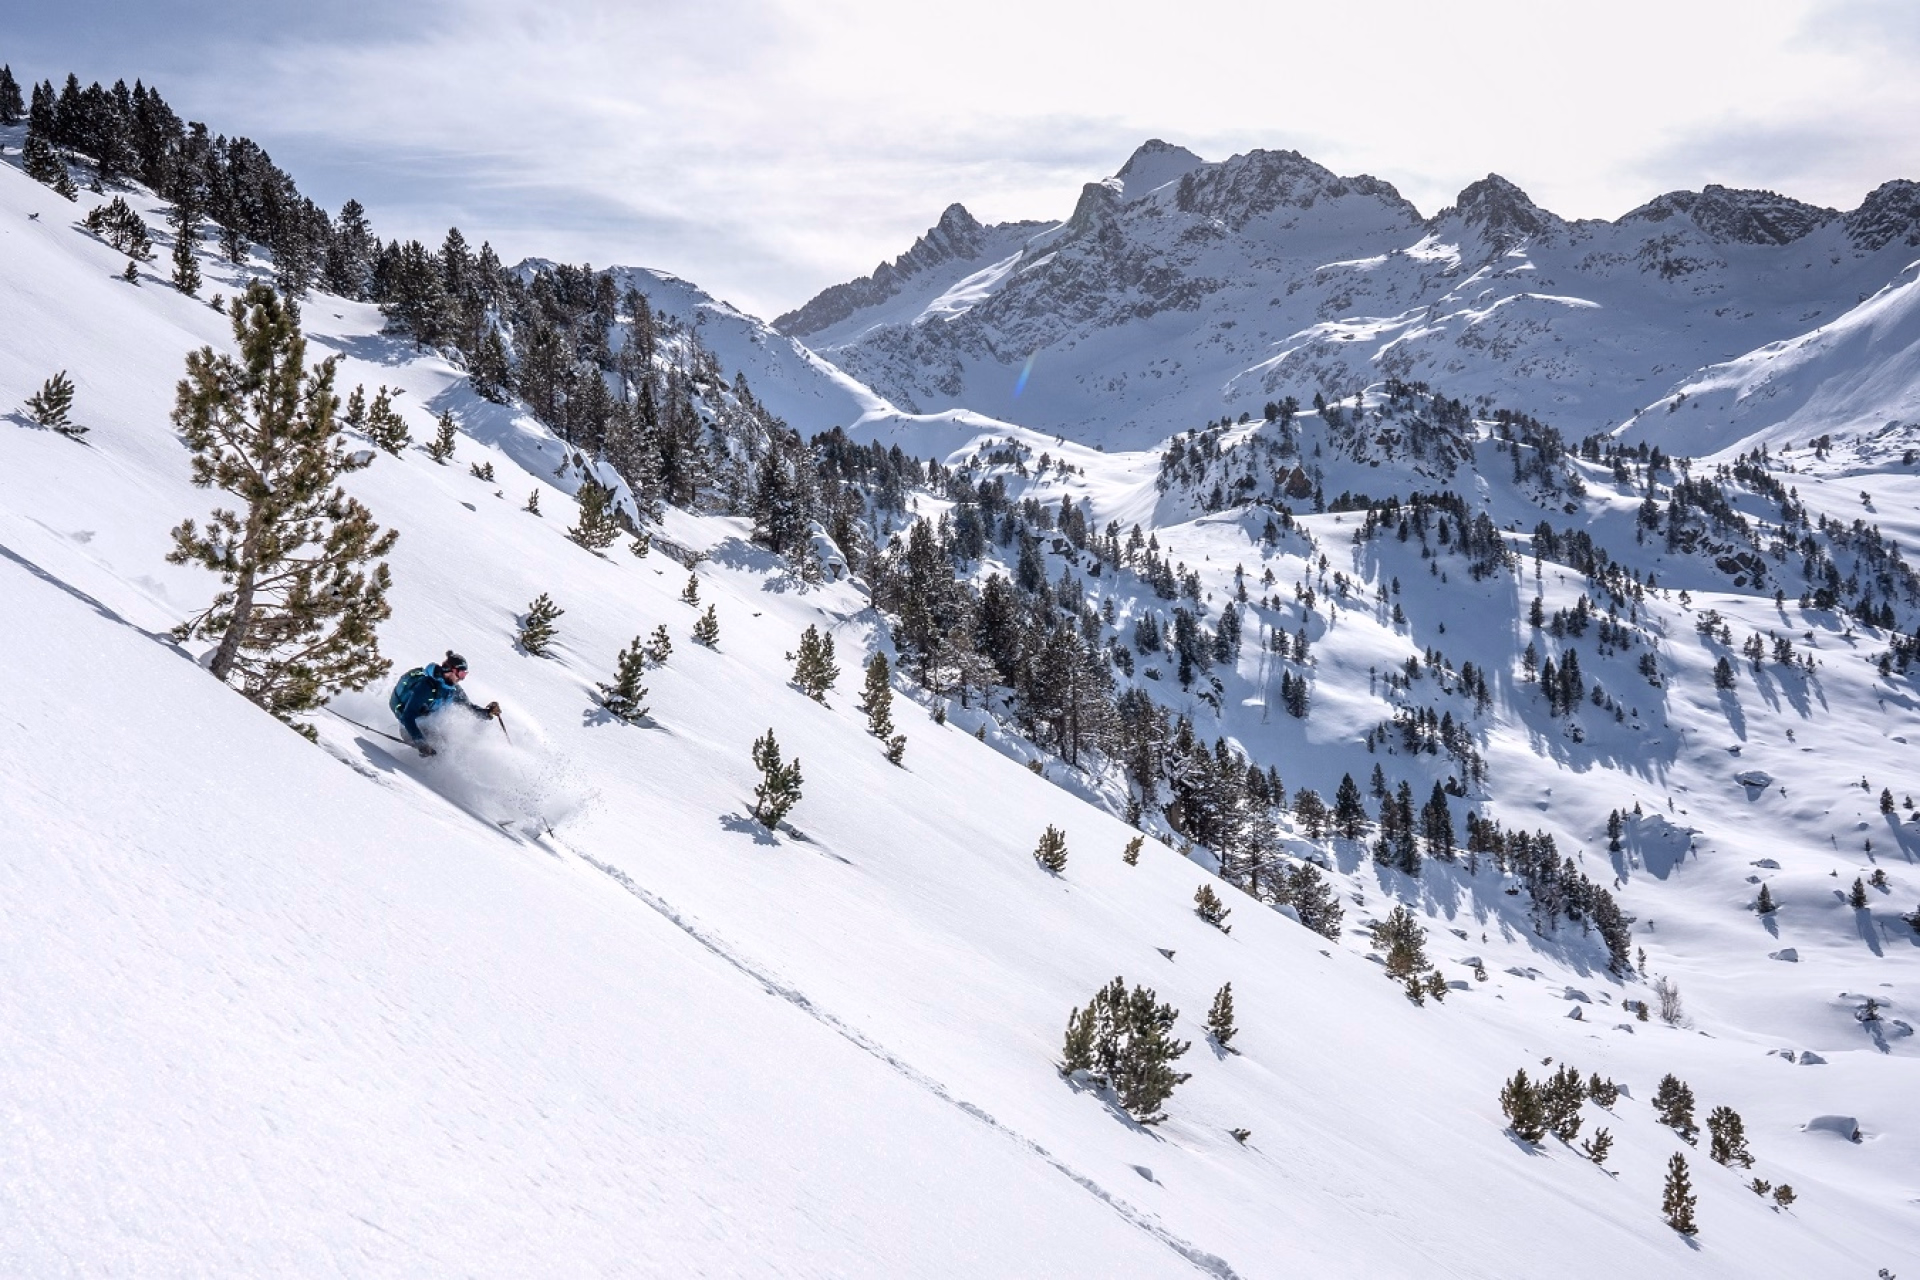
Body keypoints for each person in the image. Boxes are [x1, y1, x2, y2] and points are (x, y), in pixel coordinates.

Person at [391, 651, 500, 755]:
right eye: (461, 674)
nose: (462, 678)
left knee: (447, 747)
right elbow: (407, 717)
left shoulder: (453, 690)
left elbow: (469, 707)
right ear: (451, 670)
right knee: (440, 749)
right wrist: (421, 742)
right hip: (409, 729)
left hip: (427, 727)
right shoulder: (426, 687)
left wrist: (488, 713)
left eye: (464, 675)